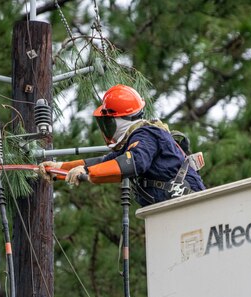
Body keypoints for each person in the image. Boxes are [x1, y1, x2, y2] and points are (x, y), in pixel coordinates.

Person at [38, 84, 205, 206]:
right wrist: (58, 169)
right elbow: (103, 163)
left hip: (189, 204)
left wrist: (87, 172)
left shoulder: (146, 135)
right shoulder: (134, 141)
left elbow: (135, 162)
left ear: (119, 120)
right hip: (176, 207)